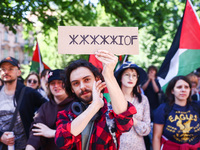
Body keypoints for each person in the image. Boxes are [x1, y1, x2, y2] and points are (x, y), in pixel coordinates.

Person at [55, 50, 137, 150]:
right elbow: (61, 141)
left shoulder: (110, 112)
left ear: (97, 79)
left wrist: (108, 75)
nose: (82, 87)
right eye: (76, 83)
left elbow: (126, 124)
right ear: (72, 89)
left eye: (87, 80)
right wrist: (94, 106)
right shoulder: (65, 115)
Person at [0, 56, 47, 150]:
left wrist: (37, 119)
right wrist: (0, 136)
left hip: (25, 147)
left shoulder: (28, 93)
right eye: (3, 69)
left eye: (10, 69)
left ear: (18, 72)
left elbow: (47, 107)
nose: (6, 72)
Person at [26, 69, 75, 150]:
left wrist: (52, 133)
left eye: (60, 82)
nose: (56, 86)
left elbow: (79, 133)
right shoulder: (45, 108)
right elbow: (36, 131)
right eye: (52, 83)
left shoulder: (77, 105)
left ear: (67, 84)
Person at [153, 76, 200, 150]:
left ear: (190, 90)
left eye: (186, 87)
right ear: (172, 91)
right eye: (179, 87)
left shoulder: (197, 106)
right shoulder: (163, 109)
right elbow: (156, 137)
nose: (183, 90)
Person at [114, 62, 151, 150]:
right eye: (127, 74)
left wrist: (132, 120)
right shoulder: (112, 99)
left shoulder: (143, 99)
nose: (131, 78)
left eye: (134, 75)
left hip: (138, 147)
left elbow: (147, 130)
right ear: (120, 77)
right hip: (117, 146)